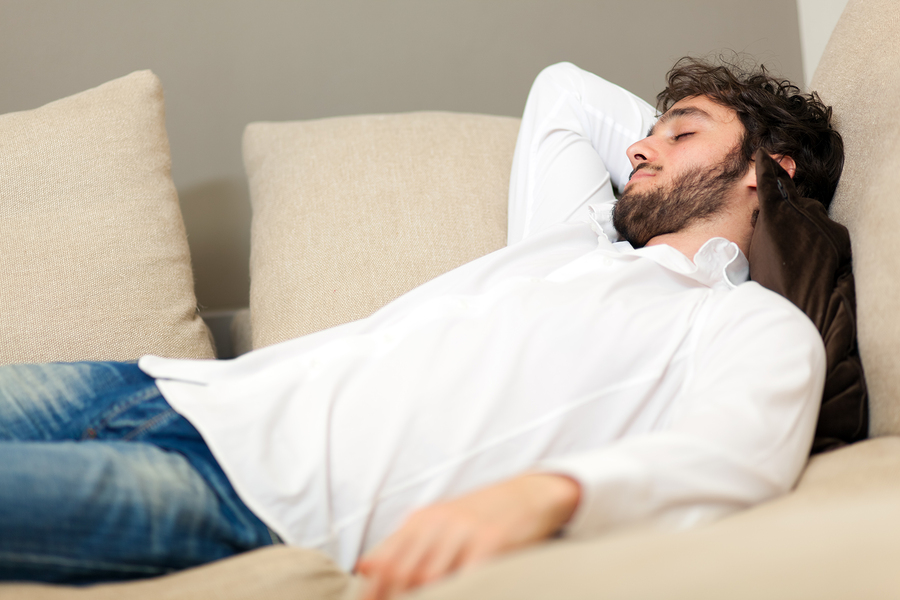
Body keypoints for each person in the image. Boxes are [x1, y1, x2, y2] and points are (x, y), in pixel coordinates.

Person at [0, 57, 842, 600]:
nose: (637, 150)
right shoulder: (575, 240)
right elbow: (564, 89)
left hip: (244, 497)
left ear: (774, 168)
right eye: (644, 134)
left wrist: (543, 496)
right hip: (162, 387)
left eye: (678, 131)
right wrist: (687, 144)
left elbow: (740, 447)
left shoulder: (741, 322)